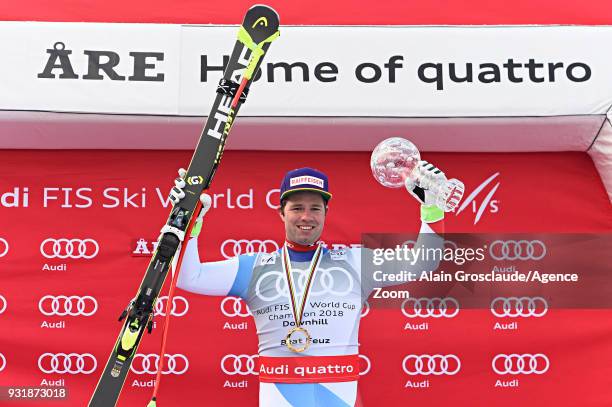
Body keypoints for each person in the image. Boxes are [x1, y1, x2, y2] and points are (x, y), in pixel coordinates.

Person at [170, 163, 449, 407]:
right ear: (281, 212)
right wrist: (187, 222)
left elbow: (422, 262)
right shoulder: (254, 267)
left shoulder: (353, 260)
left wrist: (432, 209)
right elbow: (187, 276)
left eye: (315, 208)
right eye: (297, 208)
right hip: (280, 394)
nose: (306, 216)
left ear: (326, 212)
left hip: (339, 394)